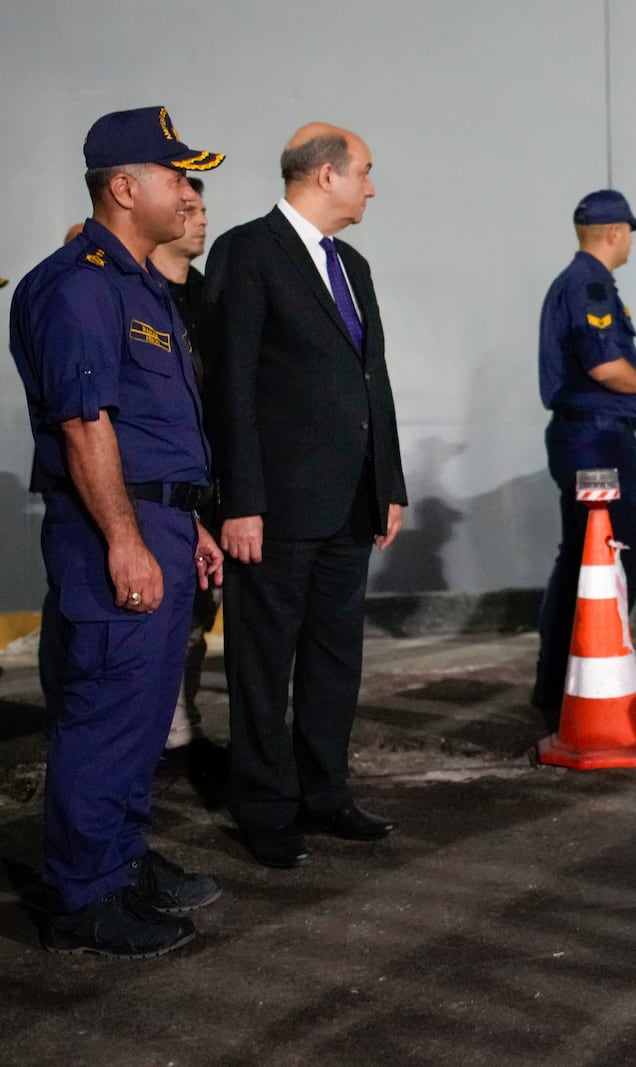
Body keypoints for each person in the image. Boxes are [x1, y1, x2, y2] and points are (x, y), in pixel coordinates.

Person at [8, 106, 226, 957]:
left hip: (158, 520)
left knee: (138, 716)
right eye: (176, 176)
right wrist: (128, 539)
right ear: (125, 187)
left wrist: (185, 522)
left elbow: (156, 430)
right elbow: (85, 425)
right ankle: (80, 897)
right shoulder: (79, 284)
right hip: (113, 530)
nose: (187, 190)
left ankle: (120, 860)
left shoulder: (141, 286)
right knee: (104, 715)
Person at [203, 123, 407, 869]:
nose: (372, 187)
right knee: (264, 663)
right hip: (275, 508)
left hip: (350, 503)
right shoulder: (246, 252)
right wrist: (240, 499)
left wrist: (388, 481)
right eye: (366, 171)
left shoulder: (351, 263)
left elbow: (370, 379)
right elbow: (230, 385)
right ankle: (263, 804)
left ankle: (326, 792)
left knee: (333, 660)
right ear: (325, 174)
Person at [533, 190, 636, 729]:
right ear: (615, 232)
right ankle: (606, 692)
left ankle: (558, 687)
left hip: (582, 436)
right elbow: (604, 367)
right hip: (598, 441)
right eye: (630, 234)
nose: (630, 244)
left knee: (579, 561)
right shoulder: (590, 285)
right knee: (612, 563)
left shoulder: (571, 284)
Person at [149, 177, 219, 754]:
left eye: (202, 209)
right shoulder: (134, 292)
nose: (200, 219)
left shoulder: (212, 296)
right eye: (188, 208)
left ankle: (180, 729)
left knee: (196, 617)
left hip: (205, 487)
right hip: (150, 491)